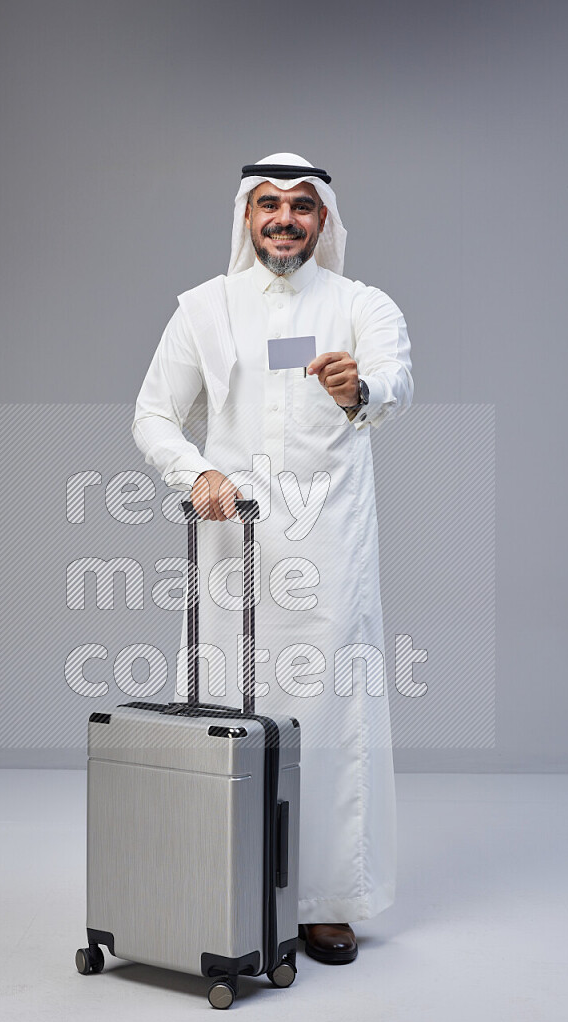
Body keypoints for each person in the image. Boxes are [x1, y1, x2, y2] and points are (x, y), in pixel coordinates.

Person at [132, 153, 413, 964]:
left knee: (330, 717)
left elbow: (396, 382)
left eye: (299, 205)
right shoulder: (205, 308)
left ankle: (326, 900)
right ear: (245, 217)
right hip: (234, 542)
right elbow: (153, 414)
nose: (283, 219)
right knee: (226, 701)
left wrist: (359, 390)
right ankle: (221, 879)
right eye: (267, 205)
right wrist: (198, 471)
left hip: (331, 545)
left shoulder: (362, 305)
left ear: (323, 219)